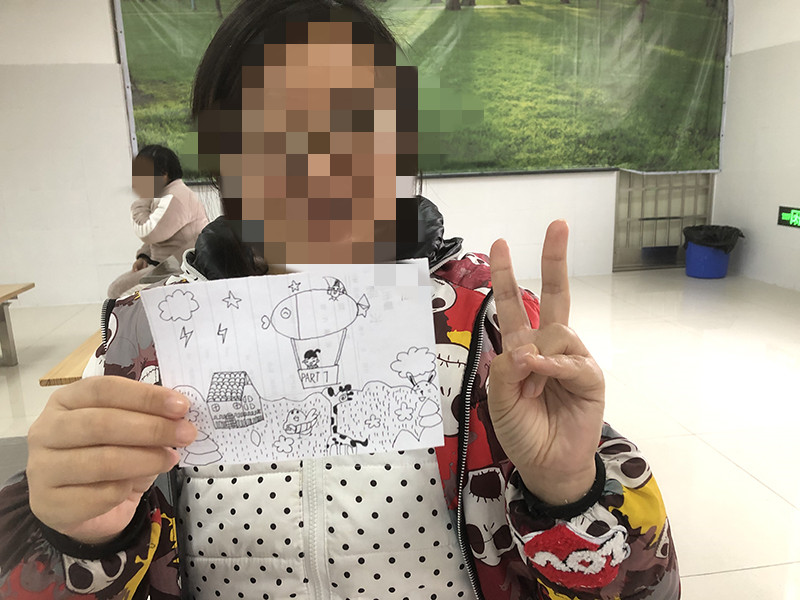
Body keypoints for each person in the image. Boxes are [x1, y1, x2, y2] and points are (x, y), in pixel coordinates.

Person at [0, 1, 680, 598]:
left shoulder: (493, 331)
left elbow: (643, 584)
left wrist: (568, 491)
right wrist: (78, 540)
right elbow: (55, 564)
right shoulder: (149, 340)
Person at [107, 145, 209, 299]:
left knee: (121, 294)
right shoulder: (167, 194)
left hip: (180, 269)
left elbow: (147, 231)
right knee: (117, 289)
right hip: (166, 265)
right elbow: (159, 235)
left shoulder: (175, 197)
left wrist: (141, 201)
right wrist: (144, 257)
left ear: (164, 174)